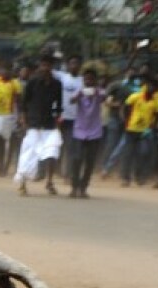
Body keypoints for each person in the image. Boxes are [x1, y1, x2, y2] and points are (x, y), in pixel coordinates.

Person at [13, 55, 63, 196]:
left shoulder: (57, 84)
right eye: (43, 65)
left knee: (52, 152)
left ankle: (49, 181)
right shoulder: (32, 82)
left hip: (49, 123)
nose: (45, 68)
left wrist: (58, 122)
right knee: (28, 154)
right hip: (33, 122)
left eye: (48, 65)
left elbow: (59, 106)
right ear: (40, 66)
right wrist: (23, 121)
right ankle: (22, 184)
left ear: (52, 67)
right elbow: (23, 104)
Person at [67, 66, 105, 198]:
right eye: (86, 79)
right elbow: (71, 100)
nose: (88, 81)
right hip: (79, 131)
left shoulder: (99, 92)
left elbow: (104, 97)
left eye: (91, 79)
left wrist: (95, 92)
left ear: (95, 80)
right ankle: (74, 187)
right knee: (76, 159)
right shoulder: (80, 91)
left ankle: (83, 187)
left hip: (94, 132)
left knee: (90, 162)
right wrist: (79, 95)